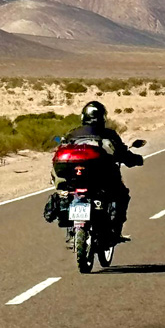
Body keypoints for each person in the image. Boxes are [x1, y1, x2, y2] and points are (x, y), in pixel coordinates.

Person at [45, 101, 143, 240]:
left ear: (83, 117)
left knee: (65, 193)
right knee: (122, 194)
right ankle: (115, 230)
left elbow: (62, 145)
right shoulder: (109, 135)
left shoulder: (73, 134)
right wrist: (135, 160)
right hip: (100, 179)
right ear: (103, 117)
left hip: (75, 179)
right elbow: (123, 153)